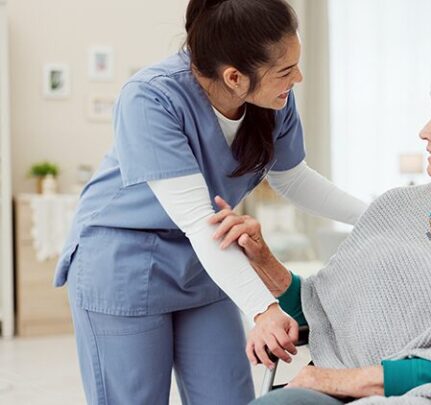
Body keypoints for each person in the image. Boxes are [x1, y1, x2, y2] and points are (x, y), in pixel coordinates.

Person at [53, 1, 366, 403]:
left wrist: (375, 215)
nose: (298, 78)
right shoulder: (150, 98)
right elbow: (197, 218)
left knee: (227, 396)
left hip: (209, 257)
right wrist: (262, 309)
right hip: (124, 261)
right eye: (286, 71)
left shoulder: (273, 101)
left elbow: (294, 179)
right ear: (234, 77)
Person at [213, 68, 431, 404]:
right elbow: (320, 310)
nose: (424, 132)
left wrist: (338, 381)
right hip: (332, 384)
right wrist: (262, 258)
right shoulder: (396, 204)